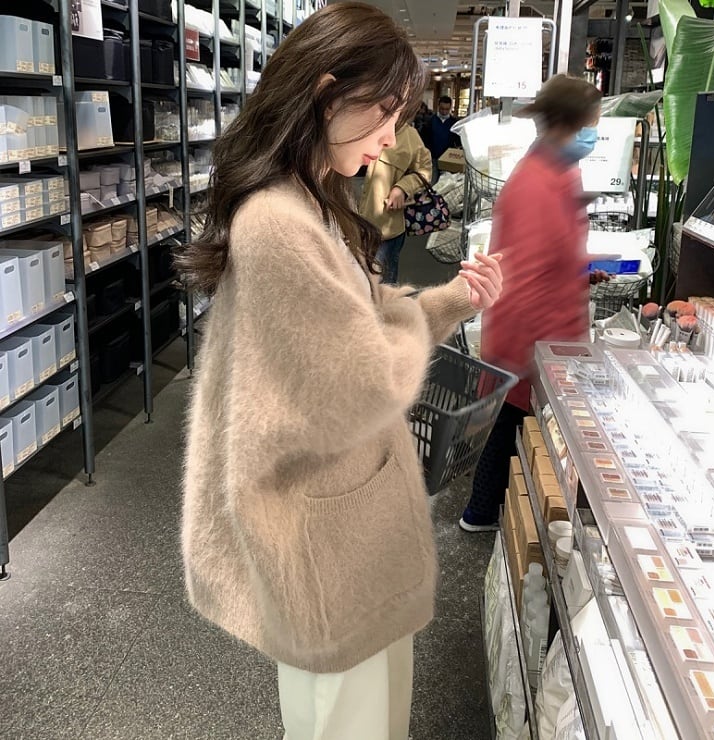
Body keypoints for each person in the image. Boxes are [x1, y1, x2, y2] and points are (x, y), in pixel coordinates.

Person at [176, 3, 505, 738]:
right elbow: (363, 378)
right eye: (384, 114)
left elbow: (359, 322)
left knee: (366, 710)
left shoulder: (311, 198)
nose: (391, 137)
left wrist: (455, 299)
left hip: (345, 520)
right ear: (327, 95)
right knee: (344, 719)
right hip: (323, 536)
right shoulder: (276, 222)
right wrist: (421, 322)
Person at [459, 74, 602, 533]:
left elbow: (556, 252)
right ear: (566, 125)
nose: (593, 136)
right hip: (529, 340)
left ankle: (490, 511)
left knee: (516, 429)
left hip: (546, 335)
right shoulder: (534, 184)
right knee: (511, 428)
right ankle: (482, 513)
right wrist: (527, 357)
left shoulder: (559, 171)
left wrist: (581, 272)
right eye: (590, 126)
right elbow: (522, 276)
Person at [359, 123, 431, 284]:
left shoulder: (409, 135)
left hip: (384, 229)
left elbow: (424, 170)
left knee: (383, 284)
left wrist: (402, 188)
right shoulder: (363, 126)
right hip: (351, 223)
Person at [421, 94, 460, 183]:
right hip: (432, 158)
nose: (444, 112)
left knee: (445, 183)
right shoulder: (430, 121)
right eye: (442, 109)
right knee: (432, 182)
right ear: (438, 106)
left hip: (448, 159)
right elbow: (423, 139)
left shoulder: (454, 124)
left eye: (447, 109)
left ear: (450, 108)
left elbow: (457, 142)